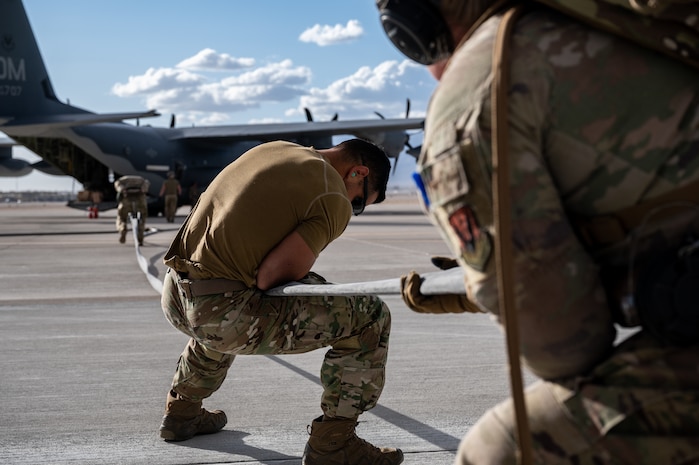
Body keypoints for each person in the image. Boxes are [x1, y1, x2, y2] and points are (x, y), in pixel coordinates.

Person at [376, 0, 699, 463]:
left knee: (500, 450)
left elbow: (564, 348)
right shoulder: (623, 16)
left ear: (411, 26)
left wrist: (499, 280)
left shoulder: (484, 82)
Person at [158, 139, 404, 465]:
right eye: (359, 202)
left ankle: (182, 412)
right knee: (371, 315)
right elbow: (272, 277)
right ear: (358, 172)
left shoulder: (277, 149)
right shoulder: (332, 194)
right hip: (221, 313)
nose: (352, 209)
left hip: (178, 296)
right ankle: (335, 444)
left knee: (230, 298)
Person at [114, 175, 150, 245]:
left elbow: (118, 187)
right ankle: (140, 238)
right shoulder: (141, 180)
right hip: (140, 202)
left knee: (121, 217)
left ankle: (122, 229)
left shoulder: (122, 180)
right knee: (142, 219)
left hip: (127, 201)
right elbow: (145, 188)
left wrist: (122, 190)